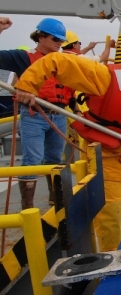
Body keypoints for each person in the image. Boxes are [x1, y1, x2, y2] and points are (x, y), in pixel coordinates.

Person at [14, 43, 121, 252]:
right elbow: (56, 61)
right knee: (112, 212)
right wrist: (28, 85)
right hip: (105, 156)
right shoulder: (105, 77)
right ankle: (114, 259)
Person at [0, 18, 74, 209]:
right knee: (32, 160)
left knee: (55, 159)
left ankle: (55, 198)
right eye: (55, 39)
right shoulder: (23, 58)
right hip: (34, 115)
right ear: (40, 37)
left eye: (61, 41)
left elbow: (70, 88)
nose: (59, 43)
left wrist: (76, 110)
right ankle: (28, 205)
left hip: (59, 115)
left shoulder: (63, 60)